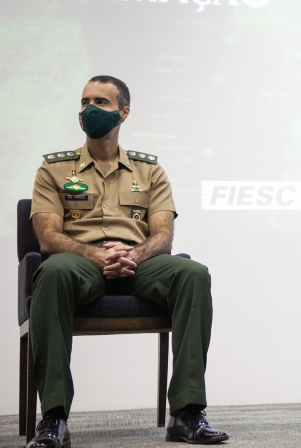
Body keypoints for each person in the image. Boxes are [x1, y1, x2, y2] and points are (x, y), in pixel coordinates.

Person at [26, 76, 228, 447]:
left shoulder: (149, 171)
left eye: (100, 102)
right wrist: (96, 254)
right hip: (79, 262)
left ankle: (186, 414)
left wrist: (133, 254)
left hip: (139, 263)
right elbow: (48, 237)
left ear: (124, 112)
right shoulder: (53, 169)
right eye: (85, 102)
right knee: (51, 271)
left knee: (193, 273)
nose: (89, 109)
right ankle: (54, 418)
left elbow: (163, 236)